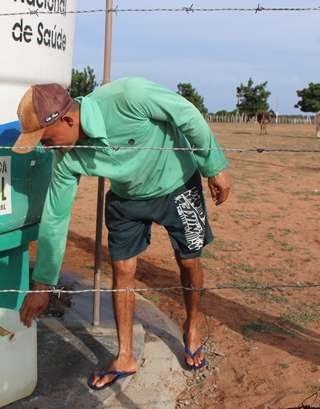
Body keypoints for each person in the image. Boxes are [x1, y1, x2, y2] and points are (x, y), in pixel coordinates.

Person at [12, 77, 232, 390]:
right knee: (122, 270)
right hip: (128, 197)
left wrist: (214, 165)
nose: (47, 149)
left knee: (188, 262)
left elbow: (186, 115)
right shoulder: (65, 158)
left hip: (176, 183)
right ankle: (125, 355)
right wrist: (42, 283)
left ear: (68, 120)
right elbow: (56, 217)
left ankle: (192, 325)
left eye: (47, 140)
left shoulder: (129, 95)